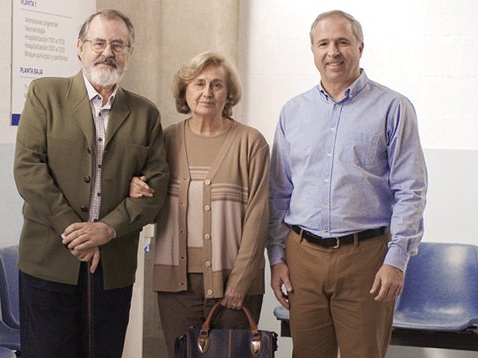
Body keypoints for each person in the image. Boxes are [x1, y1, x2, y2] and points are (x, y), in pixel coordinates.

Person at [267, 10, 428, 358]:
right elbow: (279, 193)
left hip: (366, 259)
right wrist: (277, 258)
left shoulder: (393, 108)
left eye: (342, 42)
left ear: (360, 47)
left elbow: (410, 190)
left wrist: (396, 258)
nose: (333, 52)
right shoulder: (292, 112)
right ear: (313, 51)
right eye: (323, 43)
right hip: (302, 258)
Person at [13, 8, 169, 358]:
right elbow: (28, 169)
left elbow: (156, 189)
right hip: (49, 261)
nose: (107, 52)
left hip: (111, 266)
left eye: (118, 44)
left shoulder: (145, 114)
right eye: (98, 42)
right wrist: (75, 231)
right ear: (80, 47)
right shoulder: (45, 95)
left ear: (130, 52)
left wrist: (106, 230)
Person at [130, 51, 270, 358]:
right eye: (199, 84)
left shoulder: (251, 143)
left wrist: (240, 280)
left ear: (229, 93)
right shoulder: (165, 140)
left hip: (234, 283)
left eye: (217, 85)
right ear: (185, 91)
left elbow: (259, 216)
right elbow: (146, 195)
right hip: (176, 286)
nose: (207, 92)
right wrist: (134, 186)